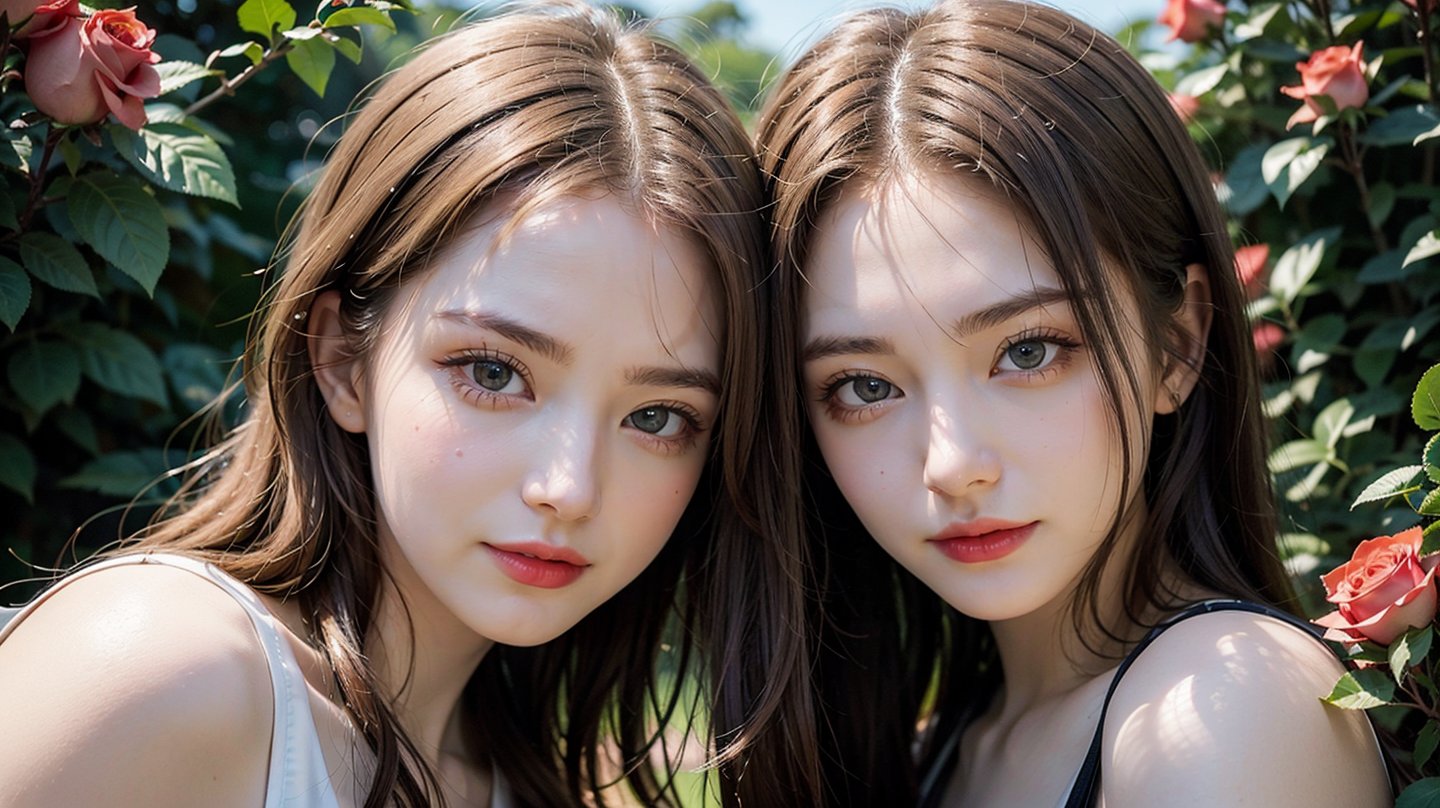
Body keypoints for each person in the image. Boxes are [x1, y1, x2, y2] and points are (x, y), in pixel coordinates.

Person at [0, 3, 819, 806]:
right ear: (342, 360)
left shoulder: (514, 779)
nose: (569, 489)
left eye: (657, 417)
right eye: (495, 373)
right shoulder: (160, 671)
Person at [755, 1, 1391, 805]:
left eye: (1028, 351)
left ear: (1179, 344)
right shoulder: (947, 743)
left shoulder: (1228, 711)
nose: (954, 467)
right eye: (865, 386)